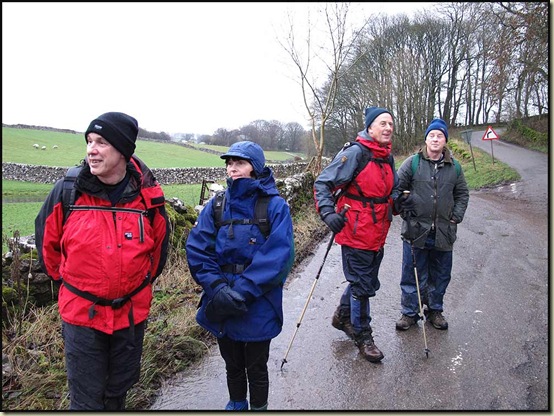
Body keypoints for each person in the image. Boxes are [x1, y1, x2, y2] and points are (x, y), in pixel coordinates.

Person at [34, 111, 169, 410]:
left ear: (123, 150)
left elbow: (158, 253)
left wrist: (135, 284)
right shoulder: (68, 192)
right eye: (89, 141)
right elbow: (48, 248)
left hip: (130, 315)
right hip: (82, 316)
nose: (91, 150)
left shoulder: (148, 197)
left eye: (101, 142)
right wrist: (72, 286)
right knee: (86, 401)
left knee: (117, 393)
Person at [186, 141, 295, 411]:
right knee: (232, 362)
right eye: (229, 163)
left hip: (259, 300)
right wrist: (217, 287)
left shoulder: (275, 207)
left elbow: (278, 256)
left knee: (256, 365)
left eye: (240, 163)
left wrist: (242, 291)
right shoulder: (217, 205)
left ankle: (258, 408)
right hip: (221, 296)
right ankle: (236, 404)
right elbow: (198, 248)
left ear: (255, 168)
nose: (232, 169)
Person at [313, 106, 400, 363]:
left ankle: (342, 316)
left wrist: (399, 202)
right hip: (355, 231)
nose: (388, 128)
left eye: (390, 124)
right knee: (362, 286)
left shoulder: (386, 158)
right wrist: (328, 213)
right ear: (370, 127)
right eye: (382, 123)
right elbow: (323, 183)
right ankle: (363, 337)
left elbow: (391, 191)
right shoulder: (356, 153)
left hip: (378, 232)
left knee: (363, 281)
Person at [393, 118, 469, 331]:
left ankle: (435, 310)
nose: (435, 139)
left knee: (441, 274)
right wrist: (404, 206)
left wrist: (456, 216)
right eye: (432, 135)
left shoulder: (455, 167)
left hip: (444, 232)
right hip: (415, 230)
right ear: (426, 139)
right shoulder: (412, 163)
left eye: (440, 136)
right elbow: (395, 189)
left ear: (445, 140)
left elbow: (462, 194)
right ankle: (409, 313)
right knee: (412, 274)